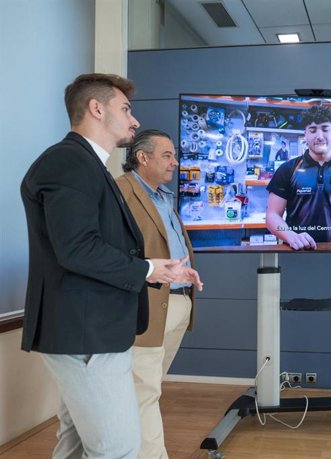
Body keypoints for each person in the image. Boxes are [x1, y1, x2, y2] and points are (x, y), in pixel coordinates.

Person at [20, 73, 202, 458]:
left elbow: (92, 245)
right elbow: (78, 249)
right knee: (117, 448)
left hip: (93, 328)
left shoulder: (88, 165)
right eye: (126, 109)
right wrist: (149, 270)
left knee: (74, 443)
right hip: (85, 332)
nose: (134, 121)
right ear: (96, 109)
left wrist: (156, 267)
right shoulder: (69, 163)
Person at [116, 129, 199, 459]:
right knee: (143, 392)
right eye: (167, 155)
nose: (175, 162)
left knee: (149, 388)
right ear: (142, 157)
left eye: (175, 155)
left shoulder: (164, 197)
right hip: (147, 306)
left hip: (179, 302)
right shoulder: (120, 193)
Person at [266, 104, 331, 250]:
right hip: (297, 251)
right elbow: (272, 215)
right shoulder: (287, 170)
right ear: (305, 135)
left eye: (325, 129)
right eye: (313, 130)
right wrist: (291, 236)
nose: (319, 136)